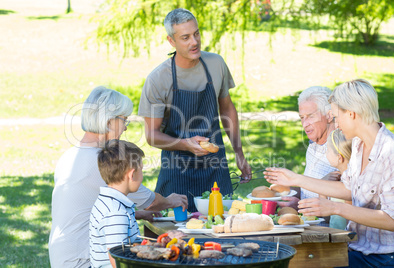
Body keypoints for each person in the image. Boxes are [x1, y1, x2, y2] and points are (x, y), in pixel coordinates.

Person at [265, 79, 394, 267]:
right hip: (357, 249)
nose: (335, 125)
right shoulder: (358, 144)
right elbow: (347, 188)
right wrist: (296, 179)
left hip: (386, 258)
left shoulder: (392, 151)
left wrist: (335, 208)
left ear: (352, 114)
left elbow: (392, 219)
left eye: (336, 117)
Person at [49, 86, 188, 268]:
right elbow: (150, 201)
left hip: (62, 256)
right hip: (83, 260)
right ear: (108, 123)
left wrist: (135, 214)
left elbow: (88, 208)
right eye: (124, 120)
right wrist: (171, 201)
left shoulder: (70, 155)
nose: (125, 128)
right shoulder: (99, 160)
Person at [138, 8, 251, 212]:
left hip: (216, 168)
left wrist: (239, 152)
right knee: (177, 237)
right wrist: (185, 144)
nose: (194, 42)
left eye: (196, 33)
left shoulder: (216, 64)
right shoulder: (158, 79)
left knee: (222, 233)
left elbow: (227, 109)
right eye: (185, 37)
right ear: (171, 41)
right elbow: (151, 136)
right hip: (177, 171)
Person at [278, 86, 338, 213]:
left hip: (330, 229)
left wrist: (300, 206)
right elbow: (310, 189)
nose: (305, 124)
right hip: (307, 225)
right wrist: (287, 193)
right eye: (302, 118)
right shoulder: (313, 145)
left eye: (310, 116)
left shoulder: (342, 149)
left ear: (329, 115)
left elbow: (343, 209)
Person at [89, 139, 144, 268]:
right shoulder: (115, 212)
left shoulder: (107, 201)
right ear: (132, 174)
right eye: (141, 170)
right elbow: (116, 259)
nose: (142, 175)